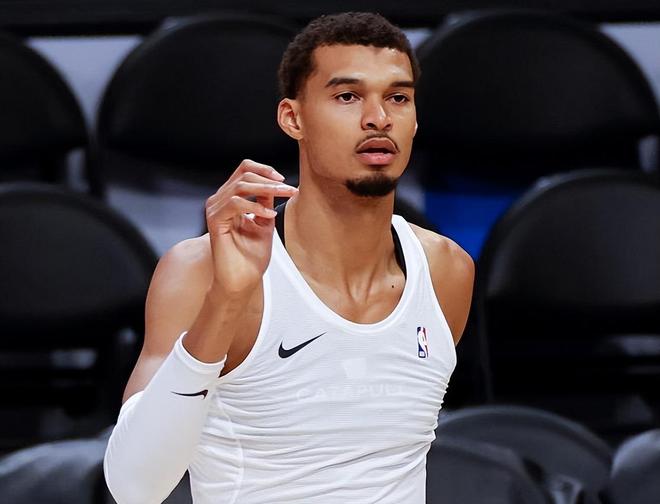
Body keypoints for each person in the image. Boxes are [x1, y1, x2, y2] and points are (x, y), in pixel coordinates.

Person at [104, 11, 474, 504]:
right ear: (292, 118)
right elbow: (134, 487)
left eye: (397, 98)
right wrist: (226, 300)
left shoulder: (446, 270)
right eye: (347, 96)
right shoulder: (199, 270)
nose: (378, 118)